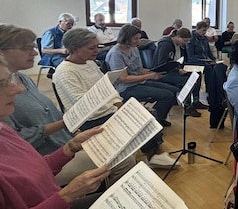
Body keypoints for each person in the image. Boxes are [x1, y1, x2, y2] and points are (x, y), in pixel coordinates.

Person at [0, 57, 110, 209]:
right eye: (3, 83)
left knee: (119, 201)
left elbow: (30, 171)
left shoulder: (2, 129)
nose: (18, 87)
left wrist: (67, 150)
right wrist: (67, 195)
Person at [0, 24, 135, 185]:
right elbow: (18, 140)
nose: (35, 53)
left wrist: (73, 133)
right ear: (2, 52)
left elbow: (48, 113)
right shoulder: (6, 93)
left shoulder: (22, 78)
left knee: (127, 144)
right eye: (26, 48)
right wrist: (67, 125)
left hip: (64, 143)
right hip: (42, 158)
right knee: (124, 159)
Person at [53, 27, 178, 170]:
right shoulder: (65, 72)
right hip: (87, 118)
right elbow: (83, 104)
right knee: (140, 116)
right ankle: (154, 154)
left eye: (97, 47)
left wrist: (119, 104)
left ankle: (155, 153)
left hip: (105, 110)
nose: (96, 51)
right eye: (91, 48)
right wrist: (117, 110)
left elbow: (108, 89)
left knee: (146, 113)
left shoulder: (90, 63)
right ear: (75, 49)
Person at [106, 24, 178, 128]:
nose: (138, 41)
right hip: (125, 88)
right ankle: (153, 124)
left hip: (139, 82)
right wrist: (150, 76)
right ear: (126, 37)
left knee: (174, 90)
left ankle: (158, 118)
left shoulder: (134, 48)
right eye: (136, 38)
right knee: (167, 95)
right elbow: (124, 79)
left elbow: (140, 70)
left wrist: (155, 72)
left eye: (139, 38)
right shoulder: (115, 53)